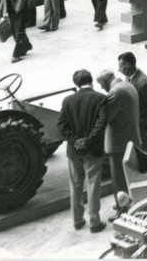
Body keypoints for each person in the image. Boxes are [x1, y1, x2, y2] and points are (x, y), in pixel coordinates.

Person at [57, 69, 108, 233]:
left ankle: (77, 221)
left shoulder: (68, 100)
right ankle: (94, 222)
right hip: (93, 150)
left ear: (76, 84)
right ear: (91, 80)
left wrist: (75, 141)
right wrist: (88, 140)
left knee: (76, 186)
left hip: (74, 152)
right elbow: (101, 124)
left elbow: (61, 126)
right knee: (93, 185)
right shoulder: (100, 98)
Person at [96, 69, 141, 204]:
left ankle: (122, 208)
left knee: (119, 180)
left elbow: (107, 117)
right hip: (131, 138)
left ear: (105, 80)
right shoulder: (128, 85)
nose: (101, 87)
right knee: (131, 175)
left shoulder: (115, 92)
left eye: (101, 84)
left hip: (118, 143)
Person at [118, 52, 147, 153]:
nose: (119, 69)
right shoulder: (130, 77)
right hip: (136, 125)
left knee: (146, 153)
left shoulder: (142, 83)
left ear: (128, 65)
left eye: (120, 66)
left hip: (144, 128)